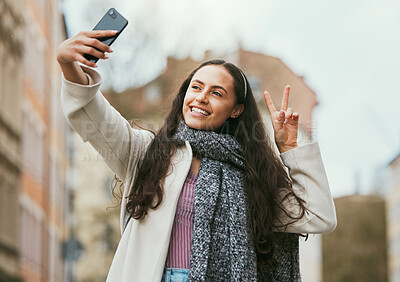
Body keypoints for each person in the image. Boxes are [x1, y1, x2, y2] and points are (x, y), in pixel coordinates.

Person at [57, 30, 337, 282]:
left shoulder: (253, 177)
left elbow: (317, 215)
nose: (201, 97)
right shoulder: (149, 153)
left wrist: (290, 148)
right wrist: (68, 64)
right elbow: (92, 115)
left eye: (216, 92)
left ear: (236, 109)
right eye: (196, 87)